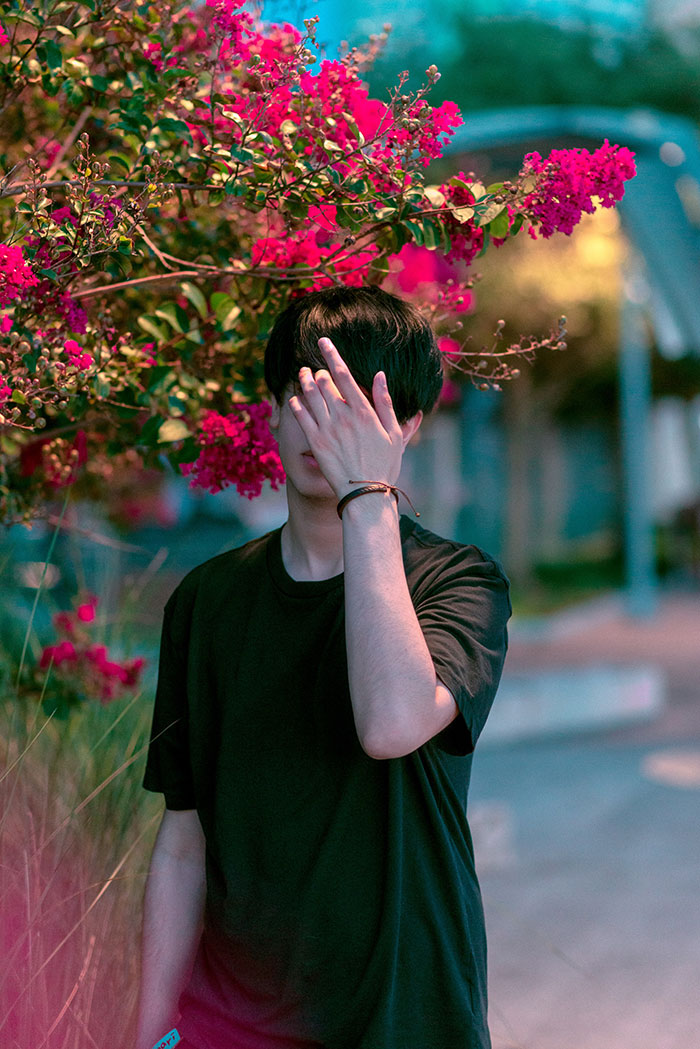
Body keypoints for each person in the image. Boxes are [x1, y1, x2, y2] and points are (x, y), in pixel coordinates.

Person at [136, 285, 511, 1049]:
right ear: (274, 407)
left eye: (360, 408)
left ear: (407, 426)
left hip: (406, 1016)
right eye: (312, 397)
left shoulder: (459, 581)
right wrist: (146, 1030)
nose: (330, 430)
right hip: (229, 1021)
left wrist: (366, 494)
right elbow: (183, 839)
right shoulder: (206, 603)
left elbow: (392, 721)